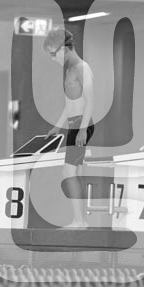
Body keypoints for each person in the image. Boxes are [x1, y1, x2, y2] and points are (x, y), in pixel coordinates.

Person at [45, 27, 94, 228]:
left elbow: (90, 100)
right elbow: (69, 105)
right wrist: (57, 127)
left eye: (53, 54)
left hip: (82, 124)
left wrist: (82, 129)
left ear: (64, 49)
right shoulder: (69, 70)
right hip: (75, 124)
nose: (52, 59)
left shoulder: (82, 68)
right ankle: (81, 220)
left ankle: (79, 220)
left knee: (68, 172)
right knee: (74, 173)